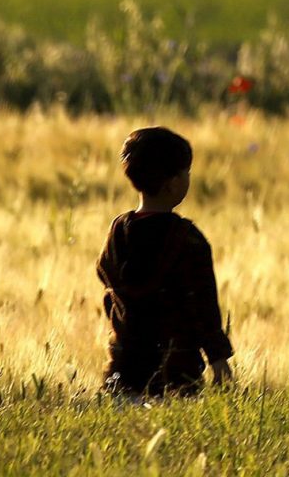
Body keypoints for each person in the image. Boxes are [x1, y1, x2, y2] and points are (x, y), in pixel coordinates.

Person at [96, 125, 236, 398]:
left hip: (123, 368)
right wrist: (219, 360)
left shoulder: (117, 231)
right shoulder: (187, 239)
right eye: (187, 172)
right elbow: (203, 304)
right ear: (173, 183)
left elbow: (106, 279)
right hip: (177, 371)